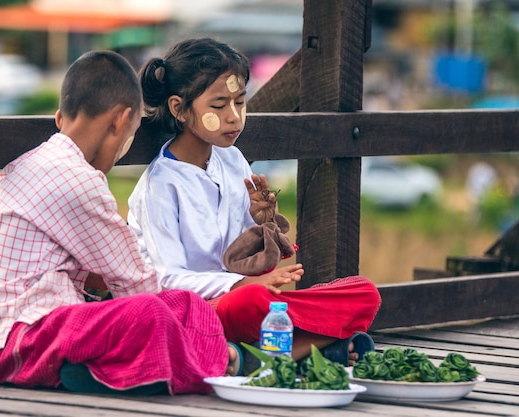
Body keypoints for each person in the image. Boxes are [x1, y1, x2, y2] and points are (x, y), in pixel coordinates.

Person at [0, 50, 241, 397]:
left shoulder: (39, 162)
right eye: (127, 139)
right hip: (25, 340)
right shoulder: (76, 179)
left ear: (61, 117)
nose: (121, 152)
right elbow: (135, 284)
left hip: (53, 327)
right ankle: (214, 364)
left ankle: (123, 370)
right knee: (149, 311)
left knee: (187, 303)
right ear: (120, 121)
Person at [127, 38, 382, 371]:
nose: (234, 117)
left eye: (240, 101)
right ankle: (306, 347)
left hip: (246, 299)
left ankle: (263, 352)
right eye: (219, 105)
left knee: (363, 292)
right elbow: (167, 277)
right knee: (253, 301)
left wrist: (261, 224)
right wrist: (239, 285)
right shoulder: (160, 185)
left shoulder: (232, 160)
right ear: (179, 108)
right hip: (196, 310)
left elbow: (250, 263)